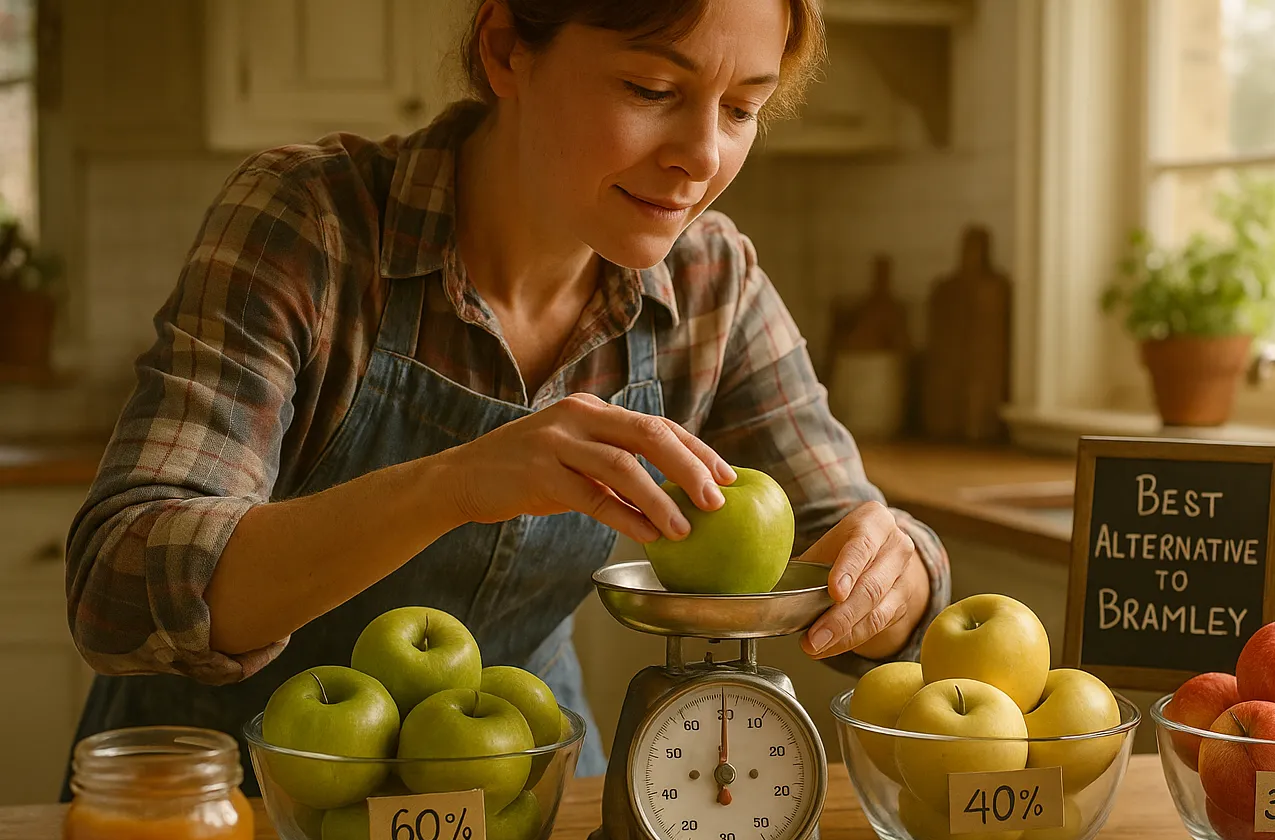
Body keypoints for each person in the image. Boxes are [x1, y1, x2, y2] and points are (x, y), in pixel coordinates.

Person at [63, 0, 951, 791]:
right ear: (504, 49)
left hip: (518, 788)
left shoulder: (713, 280)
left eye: (742, 108)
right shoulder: (312, 224)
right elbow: (120, 585)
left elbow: (857, 545)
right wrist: (453, 484)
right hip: (232, 801)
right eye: (650, 88)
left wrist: (894, 574)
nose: (702, 156)